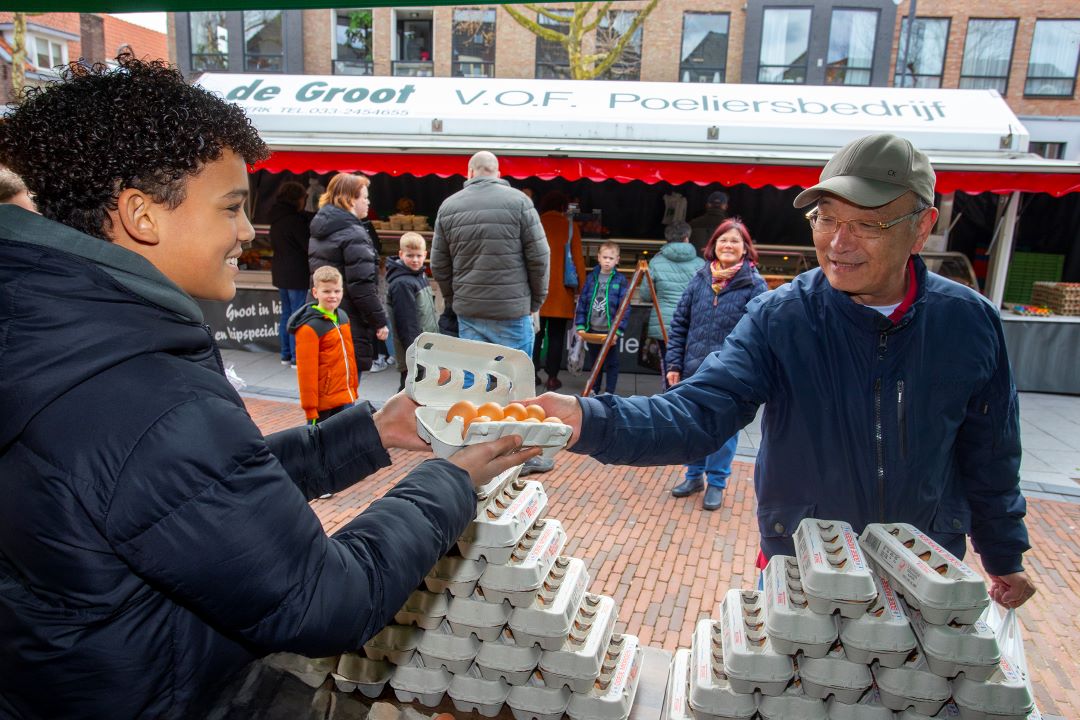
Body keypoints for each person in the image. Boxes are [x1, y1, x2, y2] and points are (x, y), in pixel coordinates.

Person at [0, 56, 538, 720]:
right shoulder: (144, 389)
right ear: (141, 214)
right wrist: (451, 480)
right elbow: (326, 600)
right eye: (231, 207)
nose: (244, 232)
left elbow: (196, 492)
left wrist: (370, 433)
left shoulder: (62, 338)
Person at [532, 133, 1036, 610]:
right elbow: (698, 413)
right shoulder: (783, 316)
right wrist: (587, 418)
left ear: (922, 227)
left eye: (867, 224)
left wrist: (1003, 552)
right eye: (826, 219)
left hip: (922, 571)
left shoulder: (969, 322)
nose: (838, 243)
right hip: (802, 571)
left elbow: (990, 451)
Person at [667, 220, 769, 511]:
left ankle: (717, 482)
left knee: (725, 429)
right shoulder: (699, 278)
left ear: (745, 249)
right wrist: (674, 363)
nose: (728, 245)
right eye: (723, 240)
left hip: (731, 374)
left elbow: (760, 334)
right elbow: (680, 323)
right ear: (714, 245)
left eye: (735, 241)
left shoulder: (754, 284)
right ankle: (693, 476)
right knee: (692, 424)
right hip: (694, 368)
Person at [431, 151, 549, 357]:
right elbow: (540, 258)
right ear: (498, 174)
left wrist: (455, 299)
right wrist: (535, 302)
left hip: (469, 311)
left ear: (469, 173)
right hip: (513, 310)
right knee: (515, 375)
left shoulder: (448, 206)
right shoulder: (521, 202)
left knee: (474, 374)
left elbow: (439, 264)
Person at [309, 172, 390, 377]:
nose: (368, 202)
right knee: (345, 387)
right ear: (350, 200)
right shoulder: (354, 233)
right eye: (364, 197)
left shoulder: (322, 228)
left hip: (323, 317)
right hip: (348, 322)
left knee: (329, 385)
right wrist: (379, 321)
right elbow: (362, 286)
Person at [289, 265, 358, 424]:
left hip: (344, 395)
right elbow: (306, 373)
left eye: (337, 291)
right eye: (326, 291)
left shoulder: (343, 317)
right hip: (323, 403)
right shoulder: (309, 328)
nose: (333, 296)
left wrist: (353, 389)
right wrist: (310, 409)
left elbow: (349, 358)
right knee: (320, 439)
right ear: (315, 293)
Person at [637, 220, 704, 379]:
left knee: (668, 368)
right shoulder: (701, 264)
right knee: (690, 368)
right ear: (687, 238)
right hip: (691, 323)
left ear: (667, 239)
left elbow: (645, 295)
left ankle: (669, 393)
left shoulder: (655, 262)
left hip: (663, 324)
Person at [533, 190, 585, 392]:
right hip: (562, 294)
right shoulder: (570, 227)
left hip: (537, 292)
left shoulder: (536, 224)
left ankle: (532, 374)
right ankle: (552, 378)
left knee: (536, 335)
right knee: (556, 337)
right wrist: (582, 289)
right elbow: (578, 260)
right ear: (563, 207)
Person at [574, 241, 630, 395]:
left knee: (612, 363)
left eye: (611, 258)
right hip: (592, 329)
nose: (607, 261)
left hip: (609, 331)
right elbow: (582, 302)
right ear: (598, 257)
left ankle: (609, 393)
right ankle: (595, 389)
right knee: (595, 362)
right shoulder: (591, 278)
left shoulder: (620, 280)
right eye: (604, 257)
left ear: (617, 260)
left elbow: (625, 308)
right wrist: (580, 326)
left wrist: (617, 331)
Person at [387, 231, 439, 392]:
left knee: (416, 387)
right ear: (401, 254)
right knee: (409, 389)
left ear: (425, 255)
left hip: (423, 346)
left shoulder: (419, 276)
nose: (415, 260)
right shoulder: (403, 283)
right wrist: (414, 352)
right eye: (410, 255)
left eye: (418, 255)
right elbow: (406, 323)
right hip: (414, 349)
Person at [268, 180, 312, 367]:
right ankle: (296, 357)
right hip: (296, 274)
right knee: (298, 315)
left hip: (280, 272)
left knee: (286, 314)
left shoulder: (276, 218)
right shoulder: (295, 221)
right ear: (297, 199)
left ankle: (285, 355)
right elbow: (307, 246)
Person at [688, 190, 728, 255]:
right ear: (725, 206)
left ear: (708, 205)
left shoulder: (693, 223)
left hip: (697, 259)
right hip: (720, 260)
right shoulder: (731, 226)